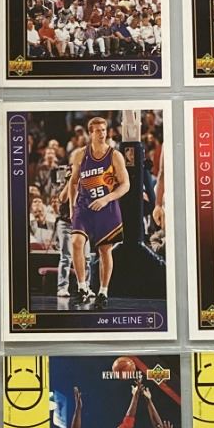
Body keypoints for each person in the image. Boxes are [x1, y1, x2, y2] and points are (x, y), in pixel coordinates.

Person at [64, 115, 130, 312]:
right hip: (84, 206)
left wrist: (106, 199)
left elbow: (125, 184)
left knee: (104, 250)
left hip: (106, 206)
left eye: (104, 130)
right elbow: (73, 182)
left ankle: (103, 292)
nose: (102, 134)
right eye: (98, 130)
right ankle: (82, 288)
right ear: (90, 133)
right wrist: (72, 207)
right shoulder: (79, 155)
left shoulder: (115, 155)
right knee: (76, 242)